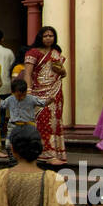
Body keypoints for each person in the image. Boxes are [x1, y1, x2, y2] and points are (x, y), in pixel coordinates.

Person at [22, 25, 68, 164]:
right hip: (38, 92)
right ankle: (47, 155)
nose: (49, 38)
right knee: (43, 122)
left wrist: (59, 70)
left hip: (56, 91)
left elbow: (64, 74)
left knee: (55, 122)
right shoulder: (33, 53)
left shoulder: (56, 52)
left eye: (51, 36)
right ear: (40, 37)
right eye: (46, 36)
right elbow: (27, 73)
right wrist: (29, 92)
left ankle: (56, 153)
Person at [3, 78, 48, 164]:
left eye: (23, 95)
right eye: (18, 95)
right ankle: (13, 161)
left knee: (30, 143)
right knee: (8, 144)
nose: (21, 97)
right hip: (14, 125)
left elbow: (43, 103)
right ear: (13, 92)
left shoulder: (31, 99)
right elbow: (2, 105)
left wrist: (50, 100)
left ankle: (30, 160)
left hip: (28, 125)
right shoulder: (10, 99)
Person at [0, 30, 17, 145]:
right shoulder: (9, 52)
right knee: (3, 110)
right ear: (2, 39)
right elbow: (12, 67)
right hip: (6, 83)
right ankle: (1, 131)